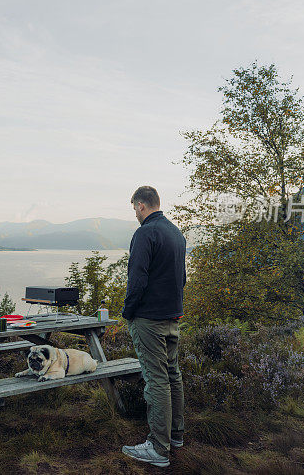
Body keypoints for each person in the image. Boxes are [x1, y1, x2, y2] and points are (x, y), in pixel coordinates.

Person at [120, 185, 186, 468]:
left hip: (149, 319)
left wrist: (128, 312)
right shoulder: (176, 233)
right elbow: (181, 278)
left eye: (135, 207)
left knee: (156, 379)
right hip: (173, 317)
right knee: (172, 375)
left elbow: (137, 279)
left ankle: (158, 449)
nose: (135, 212)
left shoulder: (144, 233)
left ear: (141, 205)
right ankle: (176, 436)